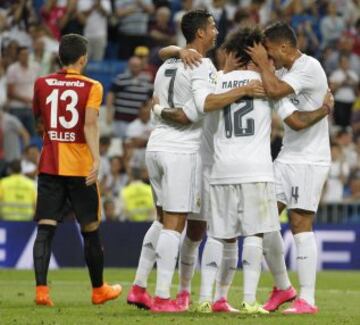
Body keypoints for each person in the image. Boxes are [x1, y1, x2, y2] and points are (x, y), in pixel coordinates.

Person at [127, 9, 265, 313]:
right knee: (175, 225)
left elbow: (167, 55)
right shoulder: (200, 65)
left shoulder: (168, 63)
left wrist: (211, 68)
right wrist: (240, 87)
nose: (216, 31)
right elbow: (194, 110)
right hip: (182, 149)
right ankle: (163, 296)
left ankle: (139, 287)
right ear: (200, 32)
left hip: (156, 146)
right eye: (213, 27)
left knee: (162, 219)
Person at [247, 22, 332, 314]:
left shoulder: (309, 68)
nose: (268, 58)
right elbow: (285, 109)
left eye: (270, 52)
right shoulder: (281, 73)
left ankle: (307, 299)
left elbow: (292, 118)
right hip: (286, 156)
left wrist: (262, 66)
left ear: (284, 47)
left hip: (309, 159)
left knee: (299, 223)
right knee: (264, 220)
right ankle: (283, 287)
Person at [32, 34, 121, 307]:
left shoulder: (42, 83)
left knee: (45, 229)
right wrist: (97, 159)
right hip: (81, 168)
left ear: (60, 57)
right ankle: (98, 290)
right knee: (90, 230)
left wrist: (53, 137)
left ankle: (42, 292)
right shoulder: (92, 86)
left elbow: (39, 121)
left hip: (50, 164)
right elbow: (90, 124)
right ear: (83, 58)